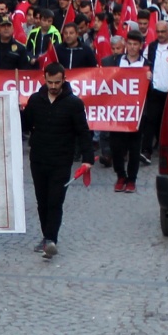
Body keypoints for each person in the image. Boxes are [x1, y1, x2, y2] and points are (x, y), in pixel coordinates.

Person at [20, 62, 94, 259]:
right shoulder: (35, 100)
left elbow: (83, 132)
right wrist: (19, 111)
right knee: (42, 202)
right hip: (38, 159)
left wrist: (87, 159)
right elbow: (25, 126)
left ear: (64, 80)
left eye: (57, 82)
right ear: (44, 79)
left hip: (61, 161)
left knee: (55, 201)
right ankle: (47, 237)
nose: (53, 86)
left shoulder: (74, 104)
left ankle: (51, 239)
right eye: (50, 82)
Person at [101, 30, 148, 192]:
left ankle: (132, 179)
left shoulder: (147, 64)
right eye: (130, 44)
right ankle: (121, 175)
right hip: (117, 111)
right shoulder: (114, 62)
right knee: (116, 146)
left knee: (134, 147)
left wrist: (149, 78)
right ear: (126, 45)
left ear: (141, 46)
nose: (133, 47)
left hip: (136, 112)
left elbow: (152, 88)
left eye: (136, 44)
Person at [141, 19, 168, 162]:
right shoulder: (151, 47)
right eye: (158, 31)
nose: (160, 34)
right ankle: (146, 151)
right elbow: (144, 63)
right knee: (150, 120)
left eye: (163, 31)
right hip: (155, 90)